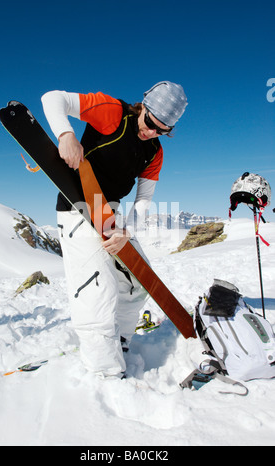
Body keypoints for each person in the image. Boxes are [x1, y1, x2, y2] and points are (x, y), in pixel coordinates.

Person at [41, 81, 187, 378]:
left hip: (112, 217)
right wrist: (66, 135)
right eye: (150, 123)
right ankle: (104, 373)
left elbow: (144, 198)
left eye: (162, 130)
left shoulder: (154, 152)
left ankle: (118, 339)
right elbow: (53, 98)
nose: (152, 132)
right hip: (77, 207)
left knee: (137, 280)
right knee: (96, 288)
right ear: (142, 107)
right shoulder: (113, 113)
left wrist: (126, 232)